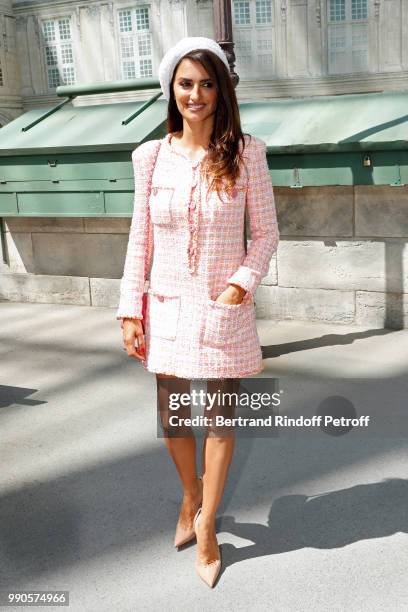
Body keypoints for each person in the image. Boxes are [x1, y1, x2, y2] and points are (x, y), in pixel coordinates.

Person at [116, 37, 279, 588]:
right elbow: (140, 237)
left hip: (221, 305)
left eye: (207, 83)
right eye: (186, 83)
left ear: (222, 90)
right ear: (171, 89)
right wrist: (129, 308)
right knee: (176, 414)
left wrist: (240, 285)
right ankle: (191, 493)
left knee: (222, 417)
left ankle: (207, 524)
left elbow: (266, 235)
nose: (196, 94)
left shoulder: (247, 152)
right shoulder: (149, 156)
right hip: (164, 304)